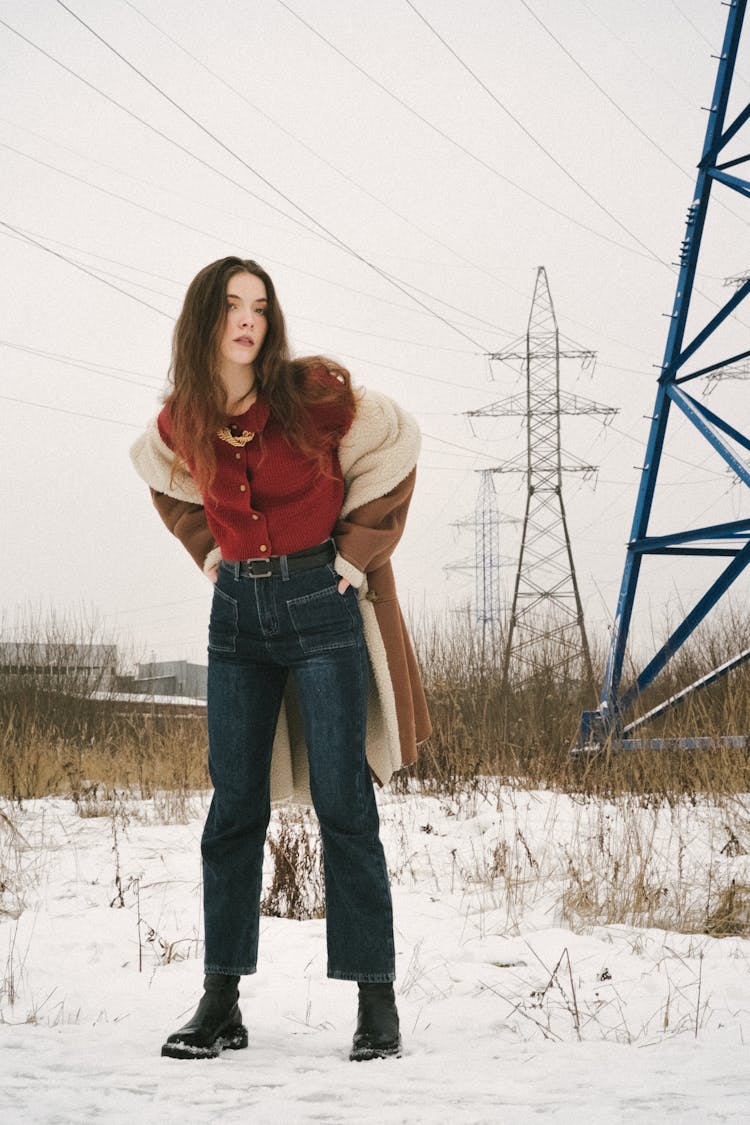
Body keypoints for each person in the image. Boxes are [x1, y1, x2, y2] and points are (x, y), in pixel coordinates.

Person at [130, 256, 431, 1062]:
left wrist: (356, 555)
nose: (249, 319)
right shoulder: (183, 421)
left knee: (344, 803)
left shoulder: (312, 395)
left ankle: (376, 1001)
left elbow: (399, 442)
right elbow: (159, 477)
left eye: (259, 305)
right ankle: (220, 1001)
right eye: (232, 305)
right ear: (205, 321)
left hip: (320, 605)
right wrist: (208, 552)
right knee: (234, 811)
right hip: (237, 621)